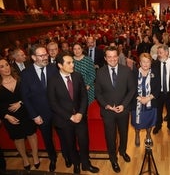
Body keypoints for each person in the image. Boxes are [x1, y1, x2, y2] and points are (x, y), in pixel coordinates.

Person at [47, 52, 99, 174]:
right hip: (64, 120)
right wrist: (70, 116)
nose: (72, 65)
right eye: (69, 63)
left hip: (80, 118)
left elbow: (84, 97)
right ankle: (76, 164)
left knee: (84, 142)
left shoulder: (77, 76)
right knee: (70, 144)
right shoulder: (53, 80)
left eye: (73, 62)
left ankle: (86, 164)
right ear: (60, 65)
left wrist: (81, 113)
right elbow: (53, 103)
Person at [95, 46, 136, 173]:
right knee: (110, 136)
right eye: (109, 57)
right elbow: (98, 93)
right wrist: (106, 105)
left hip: (123, 110)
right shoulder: (100, 72)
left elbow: (132, 90)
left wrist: (123, 104)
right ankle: (113, 158)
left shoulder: (126, 71)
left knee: (124, 134)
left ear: (118, 57)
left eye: (114, 56)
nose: (112, 59)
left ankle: (123, 151)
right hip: (108, 111)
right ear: (105, 58)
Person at [20, 44, 58, 172]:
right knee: (48, 139)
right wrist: (34, 115)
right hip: (41, 115)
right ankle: (53, 158)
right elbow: (25, 98)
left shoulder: (54, 68)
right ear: (33, 57)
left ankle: (69, 156)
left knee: (65, 135)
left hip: (58, 112)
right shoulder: (26, 74)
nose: (45, 57)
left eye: (46, 54)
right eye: (42, 55)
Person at [0, 58, 39, 170]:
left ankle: (35, 157)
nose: (6, 68)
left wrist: (20, 102)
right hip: (10, 117)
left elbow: (30, 93)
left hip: (26, 111)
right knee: (18, 138)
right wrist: (6, 116)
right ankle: (25, 159)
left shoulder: (20, 78)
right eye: (1, 67)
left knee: (31, 134)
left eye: (6, 65)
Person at [131, 53, 160, 147]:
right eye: (143, 61)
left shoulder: (155, 73)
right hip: (137, 102)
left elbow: (158, 89)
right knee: (137, 122)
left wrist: (148, 98)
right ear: (140, 62)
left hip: (151, 102)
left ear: (151, 63)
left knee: (149, 121)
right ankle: (137, 135)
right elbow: (130, 88)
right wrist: (140, 98)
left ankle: (148, 135)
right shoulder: (134, 73)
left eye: (148, 62)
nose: (146, 64)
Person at [153, 45, 170, 135]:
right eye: (158, 53)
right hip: (158, 93)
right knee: (158, 111)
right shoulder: (155, 64)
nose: (158, 55)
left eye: (160, 53)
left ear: (167, 53)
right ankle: (158, 126)